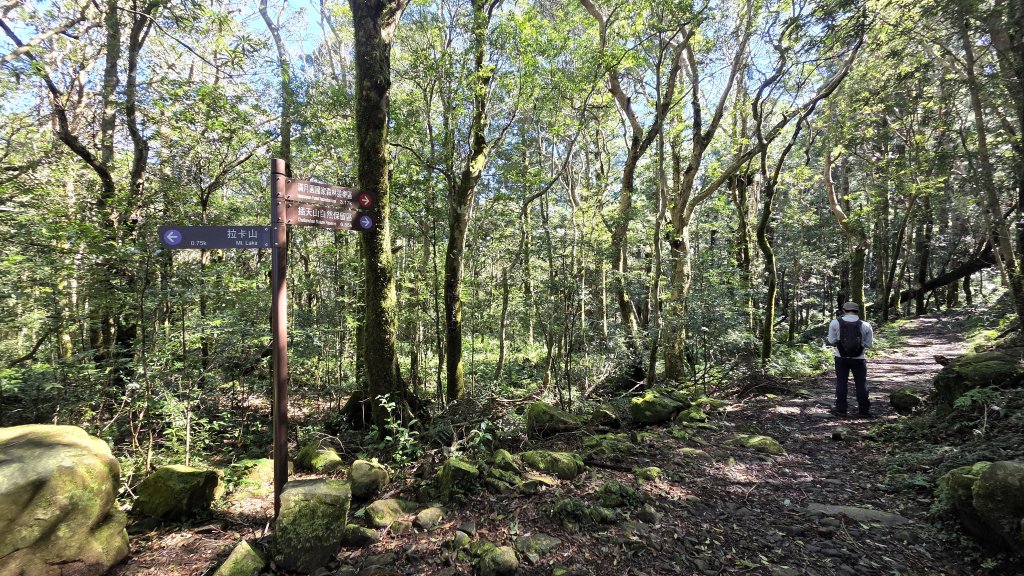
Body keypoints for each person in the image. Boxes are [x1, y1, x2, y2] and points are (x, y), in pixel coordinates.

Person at [827, 301, 874, 417]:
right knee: (861, 383)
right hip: (859, 358)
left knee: (841, 382)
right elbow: (869, 345)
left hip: (840, 357)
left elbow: (831, 341)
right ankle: (864, 411)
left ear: (844, 310)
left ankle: (841, 410)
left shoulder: (835, 323)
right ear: (858, 311)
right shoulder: (865, 325)